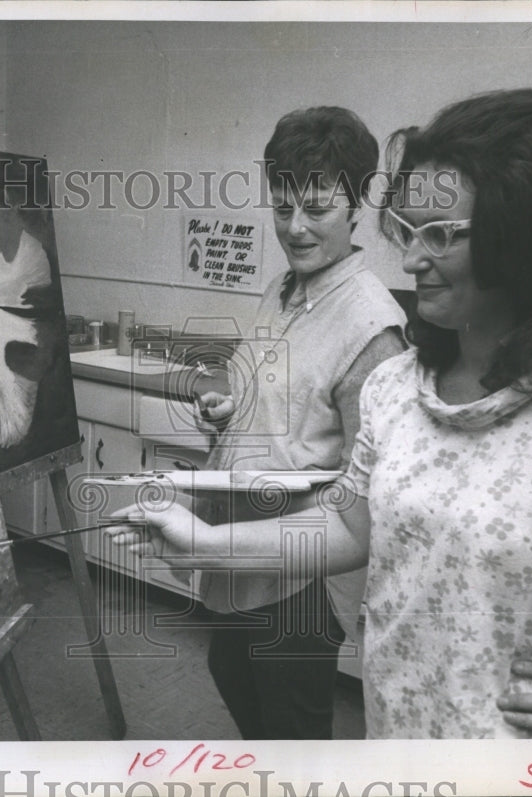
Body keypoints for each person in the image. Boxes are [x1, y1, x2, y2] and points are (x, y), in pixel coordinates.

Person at [112, 88, 532, 738]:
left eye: (440, 234)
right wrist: (206, 541)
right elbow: (351, 527)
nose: (409, 260)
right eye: (407, 231)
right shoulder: (398, 387)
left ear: (528, 238)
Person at [191, 106, 407, 739]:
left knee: (293, 731)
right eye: (282, 208)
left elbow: (368, 485)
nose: (296, 227)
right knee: (232, 672)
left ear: (358, 203)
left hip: (300, 574)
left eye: (317, 209)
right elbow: (262, 387)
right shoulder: (283, 289)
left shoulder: (372, 325)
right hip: (243, 553)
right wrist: (229, 408)